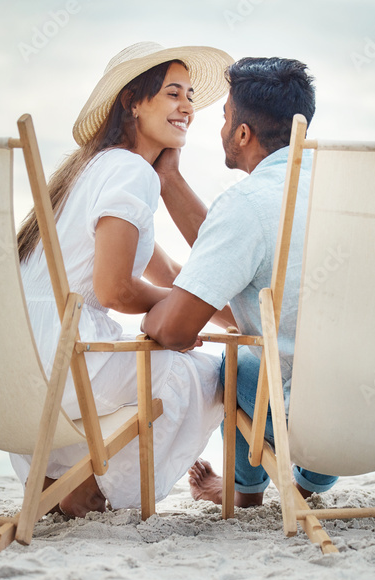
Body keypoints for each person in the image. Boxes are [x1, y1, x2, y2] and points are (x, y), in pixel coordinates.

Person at [8, 42, 234, 517]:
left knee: (169, 359)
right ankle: (94, 488)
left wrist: (223, 314)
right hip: (66, 359)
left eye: (191, 95)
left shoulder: (92, 169)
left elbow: (172, 273)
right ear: (133, 101)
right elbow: (114, 290)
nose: (188, 107)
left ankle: (61, 477)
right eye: (173, 93)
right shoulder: (129, 172)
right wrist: (173, 313)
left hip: (19, 360)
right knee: (206, 374)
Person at [142, 56, 338, 507]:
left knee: (237, 363)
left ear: (244, 133)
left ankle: (243, 491)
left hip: (308, 415)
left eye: (226, 117)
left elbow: (174, 331)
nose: (220, 128)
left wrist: (151, 310)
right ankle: (307, 485)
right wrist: (168, 178)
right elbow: (237, 252)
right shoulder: (346, 191)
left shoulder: (249, 204)